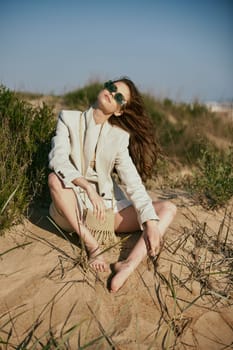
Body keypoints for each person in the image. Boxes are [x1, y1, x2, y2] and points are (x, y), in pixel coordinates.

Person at [48, 77, 177, 293]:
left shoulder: (119, 137)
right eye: (111, 87)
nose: (111, 93)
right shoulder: (68, 119)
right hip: (72, 211)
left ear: (119, 111)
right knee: (54, 179)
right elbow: (57, 159)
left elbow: (133, 184)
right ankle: (92, 246)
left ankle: (128, 265)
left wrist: (150, 223)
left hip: (105, 215)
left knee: (167, 209)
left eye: (119, 96)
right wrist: (87, 187)